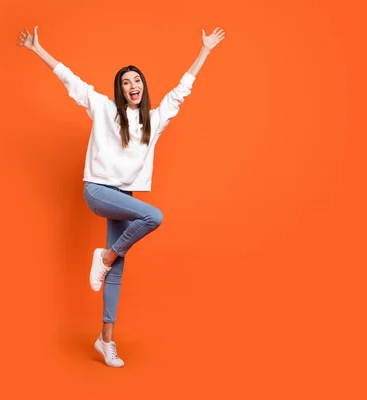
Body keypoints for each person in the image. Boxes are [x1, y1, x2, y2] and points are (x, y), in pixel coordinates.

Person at [17, 25, 225, 367]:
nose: (133, 85)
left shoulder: (153, 122)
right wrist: (38, 50)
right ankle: (107, 256)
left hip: (123, 194)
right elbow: (71, 81)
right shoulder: (103, 109)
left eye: (137, 81)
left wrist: (205, 50)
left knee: (116, 269)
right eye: (127, 81)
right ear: (120, 88)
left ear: (143, 87)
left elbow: (181, 91)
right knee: (152, 217)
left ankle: (106, 339)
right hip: (97, 189)